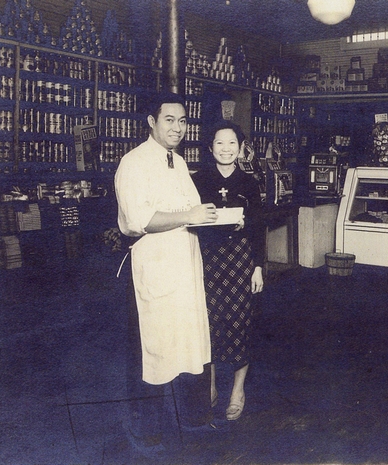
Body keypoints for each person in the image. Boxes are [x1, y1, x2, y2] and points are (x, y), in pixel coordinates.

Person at [114, 93, 220, 451]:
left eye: (183, 121)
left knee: (189, 344)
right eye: (169, 120)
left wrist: (215, 217)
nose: (177, 127)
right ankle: (148, 433)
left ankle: (194, 419)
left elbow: (190, 210)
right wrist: (189, 217)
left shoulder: (177, 161)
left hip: (185, 270)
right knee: (154, 351)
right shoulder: (134, 163)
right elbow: (137, 220)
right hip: (155, 269)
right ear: (151, 122)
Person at [192, 120, 266, 421]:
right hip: (207, 257)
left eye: (232, 143)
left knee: (240, 321)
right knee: (207, 320)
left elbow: (259, 226)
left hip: (240, 259)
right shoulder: (198, 180)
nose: (226, 149)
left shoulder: (249, 183)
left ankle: (237, 389)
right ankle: (209, 384)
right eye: (220, 143)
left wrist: (258, 266)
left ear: (241, 147)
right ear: (210, 148)